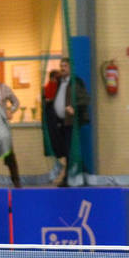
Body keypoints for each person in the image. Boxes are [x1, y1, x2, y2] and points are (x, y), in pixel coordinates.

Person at [41, 56, 89, 186]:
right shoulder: (58, 82)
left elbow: (85, 99)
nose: (62, 69)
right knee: (64, 151)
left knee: (70, 151)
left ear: (71, 68)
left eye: (65, 66)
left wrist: (75, 108)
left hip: (71, 123)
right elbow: (51, 95)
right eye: (61, 66)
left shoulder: (76, 82)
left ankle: (69, 178)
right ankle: (81, 174)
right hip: (60, 123)